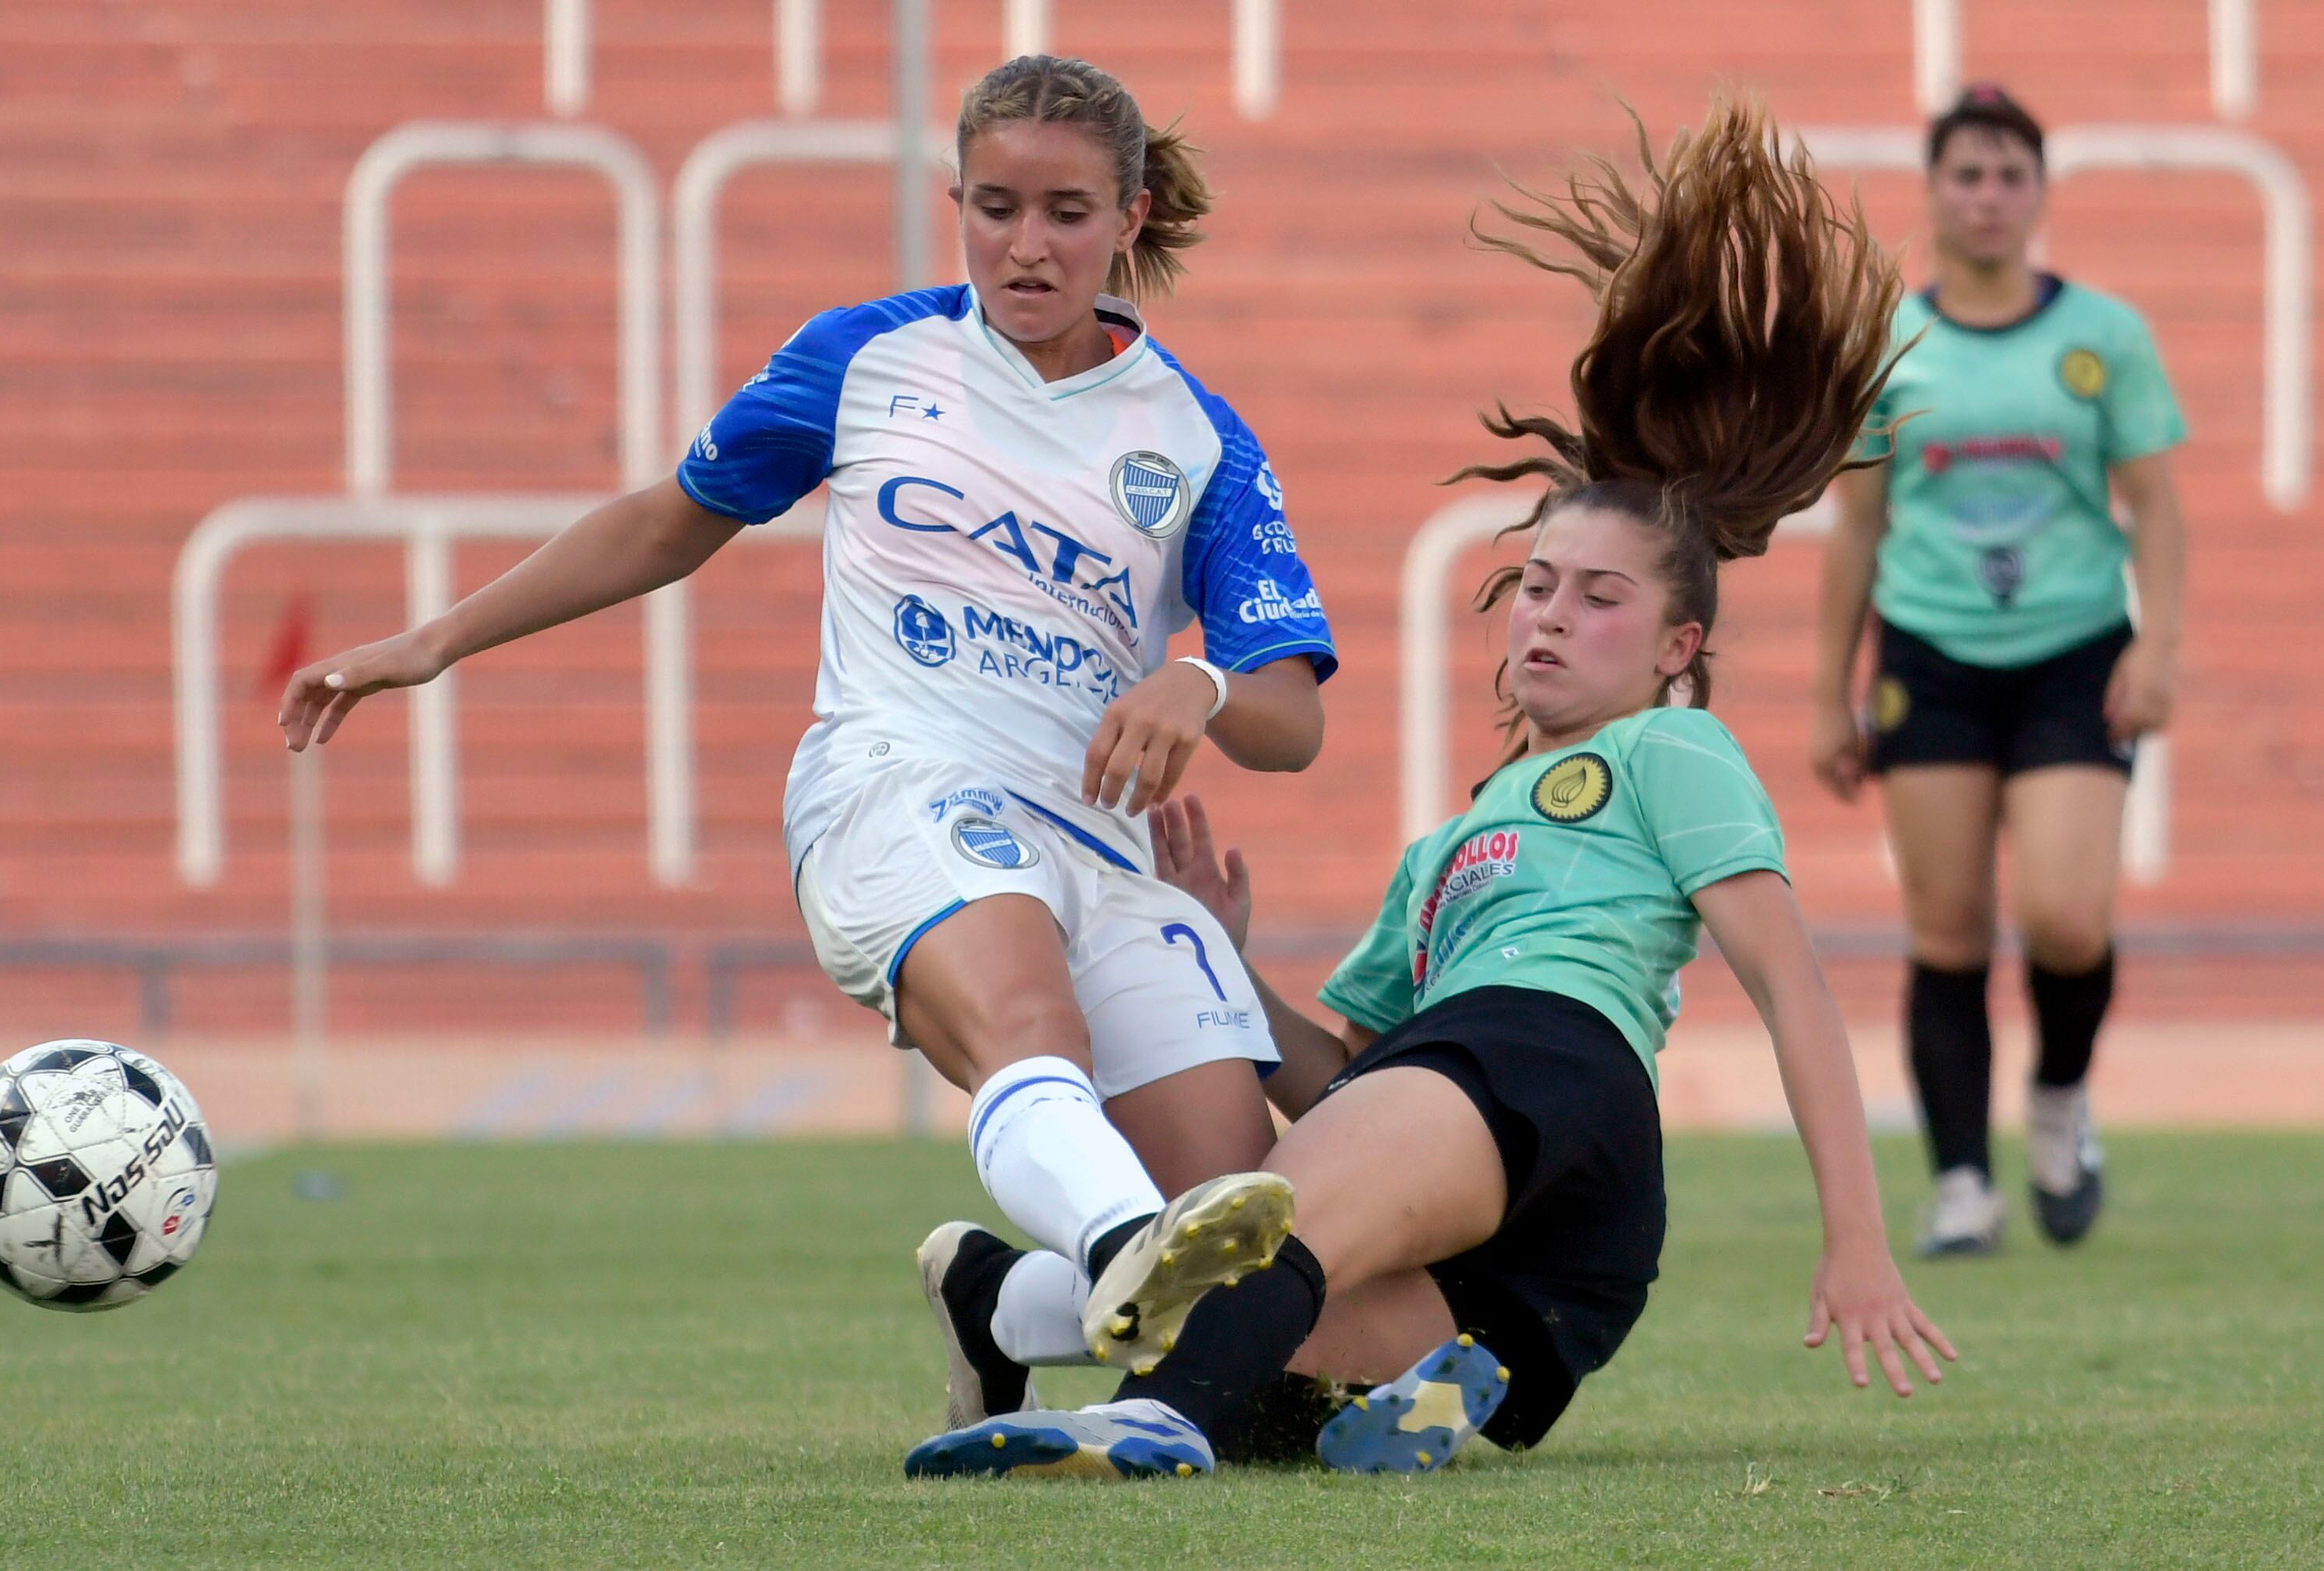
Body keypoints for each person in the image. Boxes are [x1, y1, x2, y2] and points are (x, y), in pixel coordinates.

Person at [904, 91, 1957, 1483]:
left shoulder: (1669, 752)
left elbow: (1793, 994)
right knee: (1242, 1291)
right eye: (1533, 586)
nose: (1546, 617)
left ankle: (1159, 1424)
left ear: (1677, 646)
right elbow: (1336, 1082)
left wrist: (1860, 1237)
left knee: (1253, 1242)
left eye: (1596, 598)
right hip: (1470, 1180)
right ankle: (1015, 1300)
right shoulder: (1454, 842)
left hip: (1556, 1086)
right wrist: (1221, 959)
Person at [277, 55, 1334, 1388]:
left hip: (1101, 847)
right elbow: (668, 522)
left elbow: (1290, 722)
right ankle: (1118, 1229)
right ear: (954, 201)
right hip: (896, 787)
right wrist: (434, 640)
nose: (1026, 244)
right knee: (1032, 1031)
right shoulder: (865, 357)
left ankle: (1004, 1306)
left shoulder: (1198, 439)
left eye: (1066, 211)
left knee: (1234, 1250)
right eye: (995, 205)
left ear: (1128, 217)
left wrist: (1205, 684)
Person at [1810, 85, 2188, 1257]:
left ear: (2037, 194)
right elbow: (1857, 529)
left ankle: (2061, 1101)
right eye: (1965, 175)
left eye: (2007, 175)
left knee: (2066, 921)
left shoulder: (2102, 337)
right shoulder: (1885, 344)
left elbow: (2156, 507)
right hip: (1928, 654)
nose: (1985, 197)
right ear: (1933, 192)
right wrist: (1830, 688)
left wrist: (2157, 642)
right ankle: (1963, 1181)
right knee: (1949, 928)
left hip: (2073, 651)